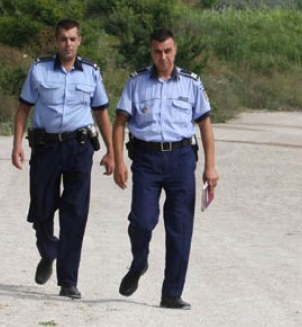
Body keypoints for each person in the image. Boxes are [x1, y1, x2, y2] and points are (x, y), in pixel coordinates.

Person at [112, 28, 218, 311]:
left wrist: (211, 167)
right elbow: (120, 121)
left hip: (182, 158)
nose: (163, 57)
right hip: (146, 160)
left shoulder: (191, 84)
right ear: (151, 52)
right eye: (158, 52)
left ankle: (171, 293)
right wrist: (119, 161)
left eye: (167, 51)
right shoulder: (136, 83)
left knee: (180, 228)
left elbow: (205, 124)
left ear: (175, 50)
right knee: (142, 221)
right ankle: (139, 261)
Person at [11, 19, 114, 300]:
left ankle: (68, 281)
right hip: (45, 149)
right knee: (42, 210)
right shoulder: (39, 70)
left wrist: (111, 152)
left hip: (79, 149)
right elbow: (23, 109)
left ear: (79, 40)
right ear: (56, 42)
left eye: (72, 38)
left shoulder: (91, 73)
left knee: (75, 214)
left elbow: (102, 113)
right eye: (62, 39)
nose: (67, 44)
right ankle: (48, 250)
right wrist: (17, 144)